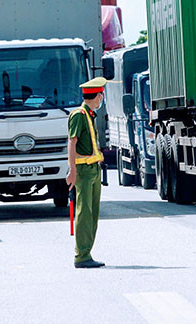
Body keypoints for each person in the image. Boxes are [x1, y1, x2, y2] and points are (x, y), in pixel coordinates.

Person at [66, 76, 107, 269]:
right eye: (101, 96)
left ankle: (87, 253)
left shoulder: (89, 115)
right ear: (98, 96)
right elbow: (72, 143)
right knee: (84, 214)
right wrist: (72, 171)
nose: (101, 100)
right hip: (83, 171)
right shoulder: (79, 115)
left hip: (93, 169)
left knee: (92, 214)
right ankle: (81, 256)